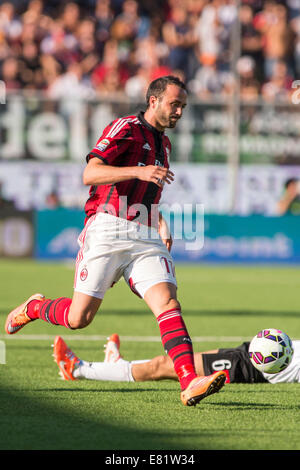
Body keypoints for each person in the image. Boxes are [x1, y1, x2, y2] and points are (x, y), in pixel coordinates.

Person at [5, 75, 226, 407]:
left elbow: (149, 193)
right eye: (174, 104)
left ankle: (189, 381)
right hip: (108, 227)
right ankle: (34, 307)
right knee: (79, 318)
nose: (179, 111)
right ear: (154, 101)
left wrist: (161, 223)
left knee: (167, 303)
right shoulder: (124, 128)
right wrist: (138, 172)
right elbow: (90, 174)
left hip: (145, 233)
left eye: (182, 106)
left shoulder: (164, 144)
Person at [53, 333, 300, 385]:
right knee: (175, 360)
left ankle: (78, 369)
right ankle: (115, 366)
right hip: (248, 354)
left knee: (161, 366)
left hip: (249, 368)